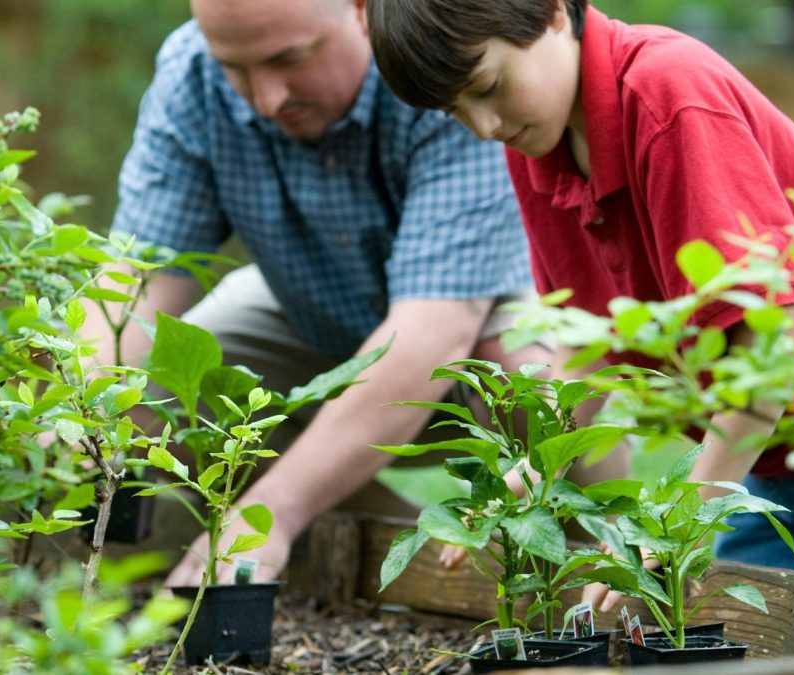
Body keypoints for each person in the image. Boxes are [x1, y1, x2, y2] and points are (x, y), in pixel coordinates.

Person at [83, 0, 550, 587]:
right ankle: (348, 552)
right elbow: (134, 280)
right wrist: (76, 408)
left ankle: (577, 579)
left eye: (290, 60)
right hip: (305, 309)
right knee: (161, 379)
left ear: (361, 9)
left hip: (477, 315)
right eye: (238, 67)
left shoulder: (438, 60)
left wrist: (267, 516)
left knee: (542, 393)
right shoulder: (193, 73)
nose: (266, 98)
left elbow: (431, 332)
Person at [366, 0, 794, 597]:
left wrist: (669, 523)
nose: (485, 126)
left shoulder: (666, 92)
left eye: (489, 86)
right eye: (455, 111)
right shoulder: (537, 144)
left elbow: (776, 336)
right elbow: (587, 345)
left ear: (551, 13)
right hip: (774, 465)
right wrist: (523, 477)